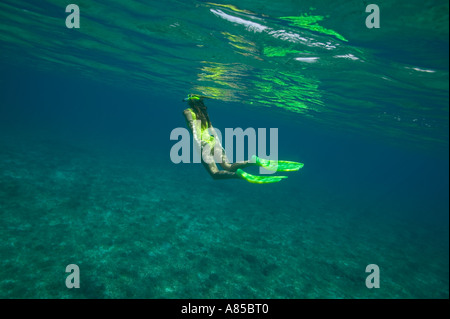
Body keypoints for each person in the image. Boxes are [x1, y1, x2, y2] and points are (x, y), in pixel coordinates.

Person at [182, 94, 303, 184]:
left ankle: (239, 175)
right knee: (228, 166)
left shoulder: (187, 111)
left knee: (215, 174)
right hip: (213, 141)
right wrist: (218, 141)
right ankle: (253, 161)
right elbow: (212, 129)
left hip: (203, 144)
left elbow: (193, 127)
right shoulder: (204, 113)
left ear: (191, 101)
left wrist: (198, 142)